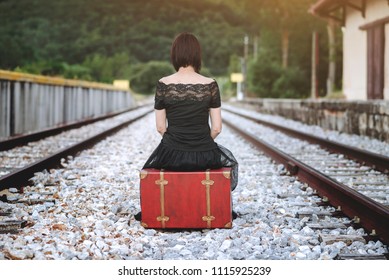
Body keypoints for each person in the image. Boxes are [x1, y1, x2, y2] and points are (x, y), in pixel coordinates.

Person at [137, 32, 238, 220]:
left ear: (174, 55)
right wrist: (200, 143)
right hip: (204, 154)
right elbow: (217, 128)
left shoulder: (163, 84)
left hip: (171, 155)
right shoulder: (210, 84)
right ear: (197, 55)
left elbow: (160, 127)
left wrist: (177, 144)